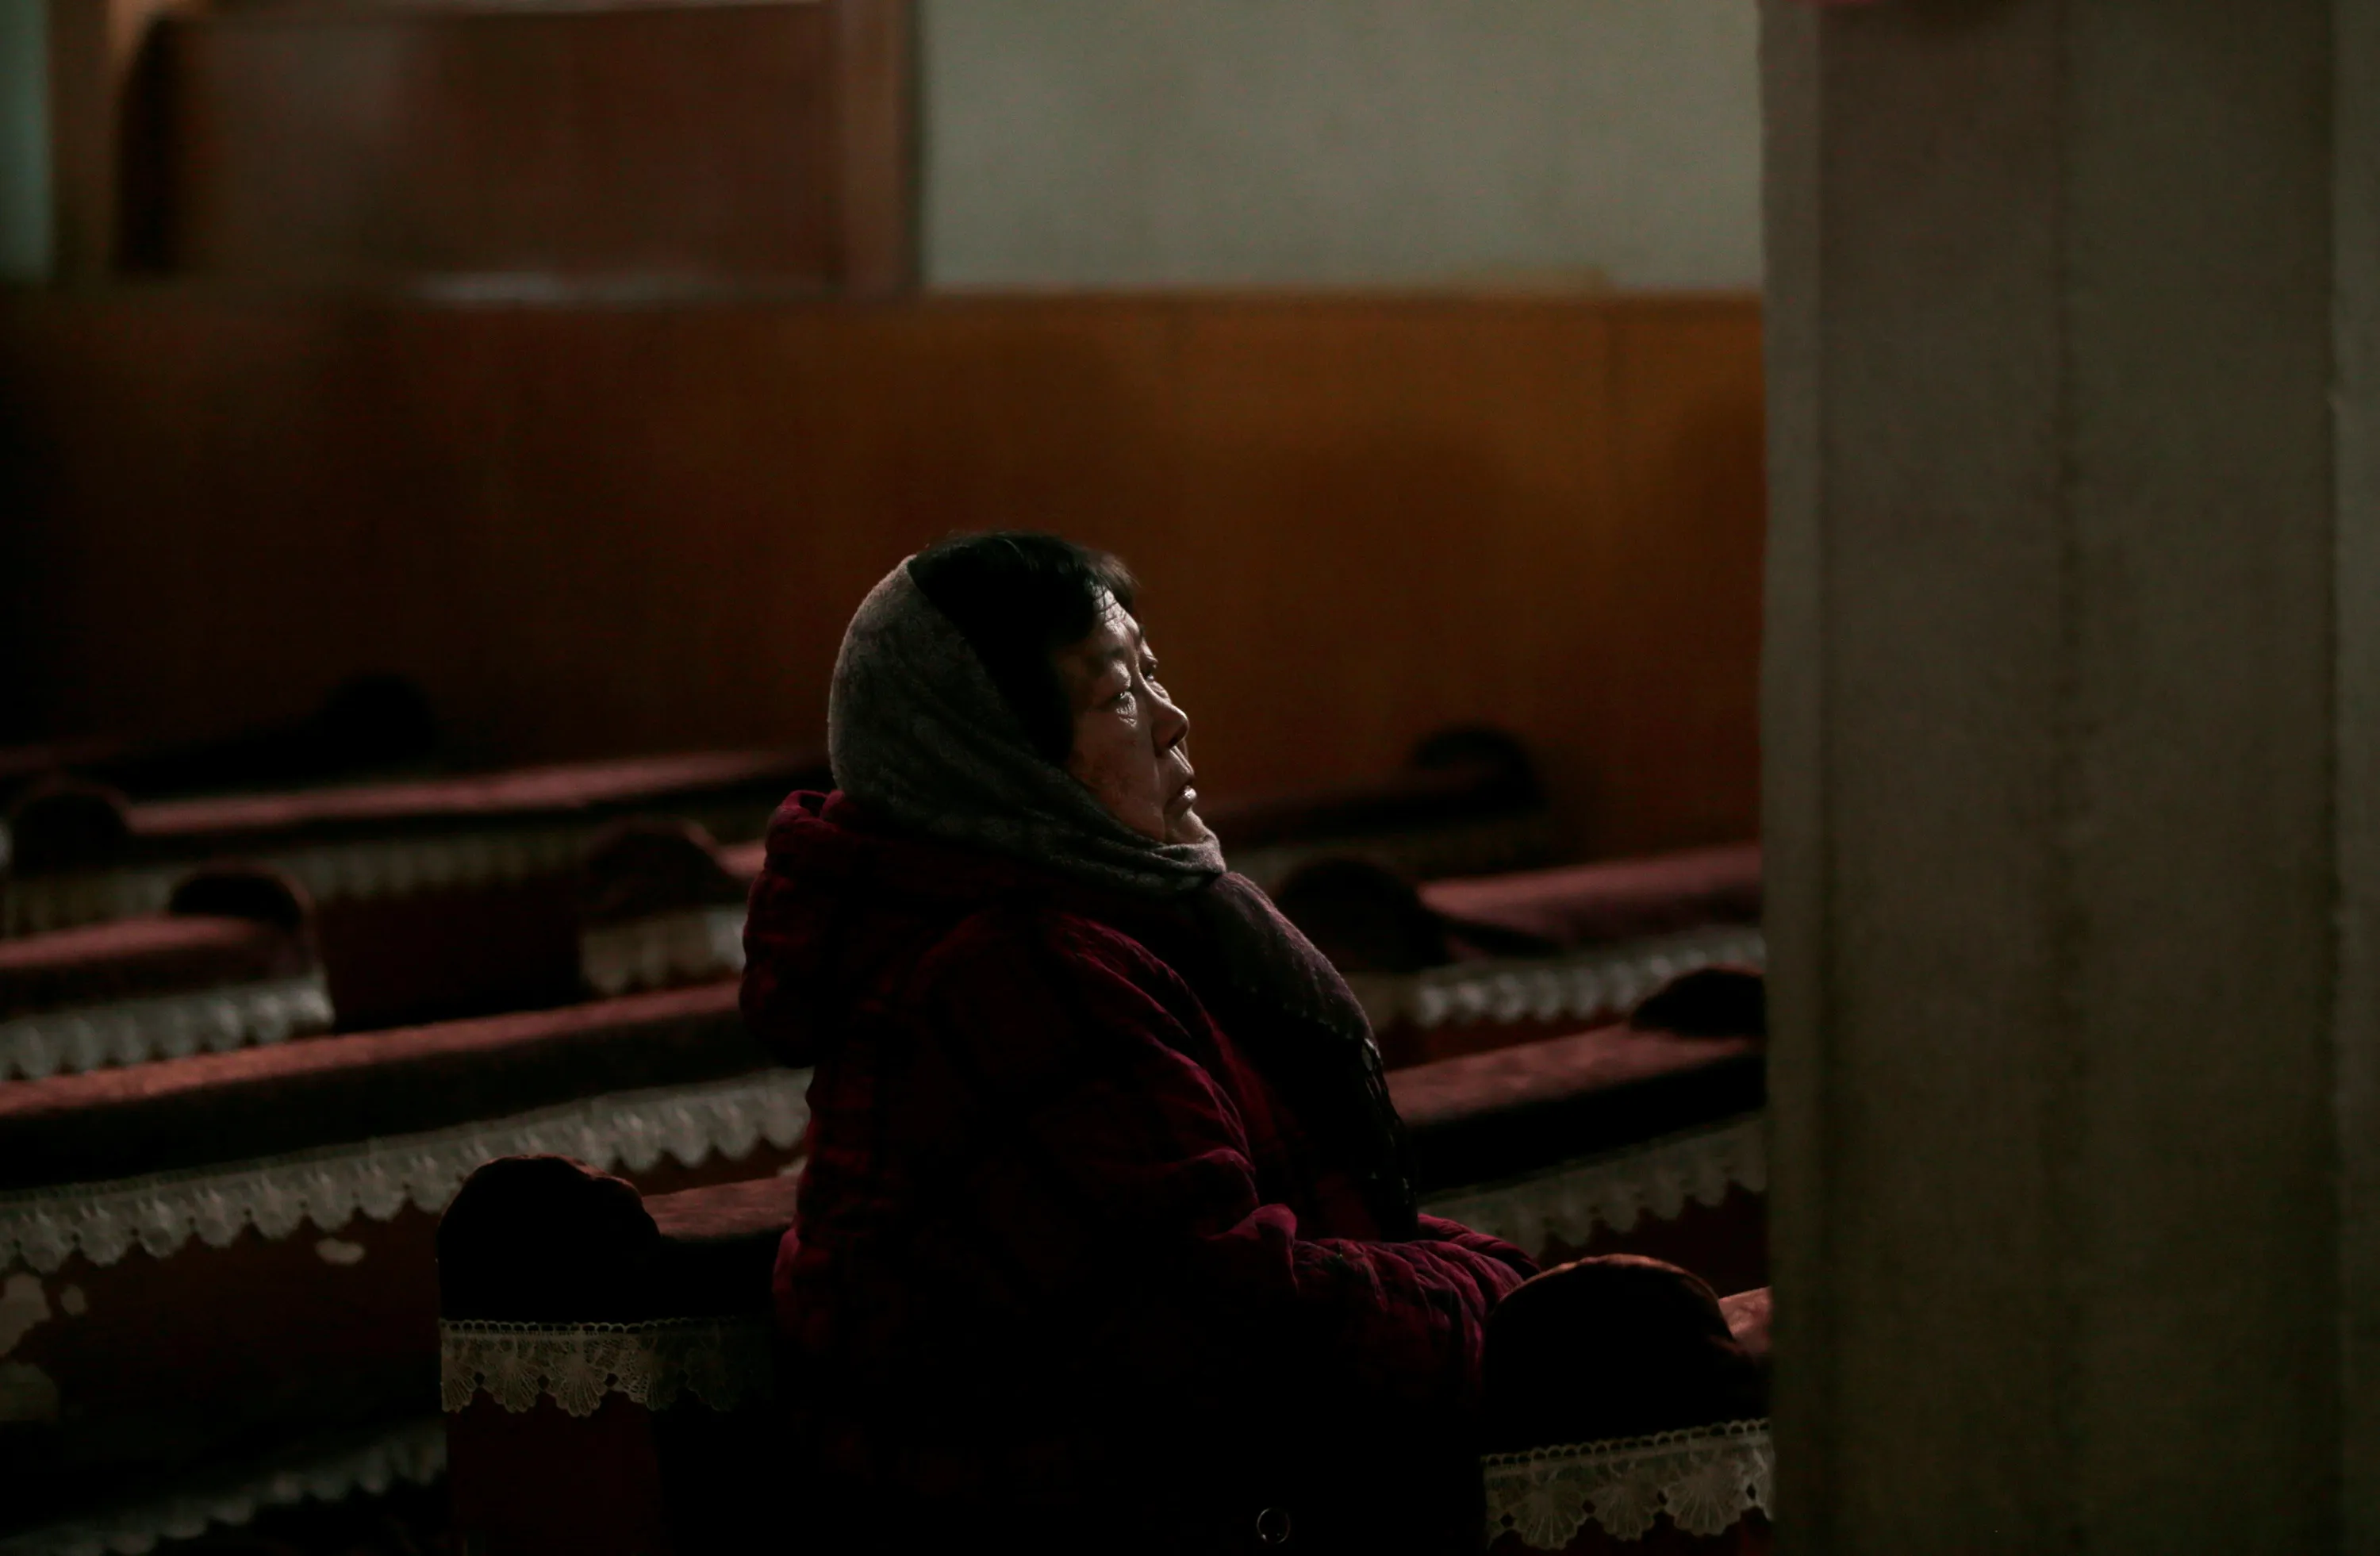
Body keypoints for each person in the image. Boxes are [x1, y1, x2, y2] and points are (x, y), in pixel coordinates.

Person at [742, 533, 1537, 1554]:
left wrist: (1483, 1278)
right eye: (1119, 695)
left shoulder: (1085, 932)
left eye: (1152, 675)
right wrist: (1496, 1297)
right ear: (995, 757)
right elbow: (1230, 1318)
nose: (1171, 719)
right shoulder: (1011, 977)